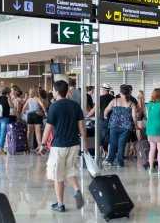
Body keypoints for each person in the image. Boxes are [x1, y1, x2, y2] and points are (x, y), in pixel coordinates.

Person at [37, 80, 87, 212]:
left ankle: (60, 204)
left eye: (53, 90)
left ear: (57, 91)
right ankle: (77, 190)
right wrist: (85, 143)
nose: (52, 92)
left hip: (59, 146)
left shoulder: (54, 106)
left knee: (57, 175)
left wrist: (42, 144)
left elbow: (48, 128)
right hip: (74, 144)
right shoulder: (75, 105)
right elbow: (82, 125)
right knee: (69, 170)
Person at [103, 85, 138, 168]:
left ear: (120, 92)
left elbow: (106, 110)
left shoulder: (115, 100)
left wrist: (105, 116)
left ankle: (110, 161)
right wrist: (135, 125)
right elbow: (134, 116)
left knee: (113, 144)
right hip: (126, 127)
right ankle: (120, 163)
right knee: (122, 145)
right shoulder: (131, 103)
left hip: (114, 125)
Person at [145, 88, 160, 176]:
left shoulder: (149, 104)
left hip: (150, 128)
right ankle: (159, 169)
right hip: (159, 128)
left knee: (152, 149)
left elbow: (148, 117)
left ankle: (151, 168)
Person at [87, 83, 114, 158]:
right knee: (110, 139)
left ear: (103, 89)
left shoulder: (100, 98)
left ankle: (98, 156)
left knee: (100, 140)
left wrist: (87, 116)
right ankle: (109, 156)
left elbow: (94, 110)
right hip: (112, 121)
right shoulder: (113, 98)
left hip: (102, 121)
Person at [21, 86, 47, 154]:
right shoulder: (37, 98)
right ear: (35, 92)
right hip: (37, 115)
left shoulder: (28, 99)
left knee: (29, 131)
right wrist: (45, 112)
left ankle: (27, 147)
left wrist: (23, 116)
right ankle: (39, 146)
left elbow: (23, 109)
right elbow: (42, 105)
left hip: (30, 116)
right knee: (37, 132)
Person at [0, 87, 12, 155]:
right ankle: (0, 149)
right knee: (3, 134)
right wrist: (9, 98)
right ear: (7, 93)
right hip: (4, 117)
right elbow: (12, 106)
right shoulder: (7, 98)